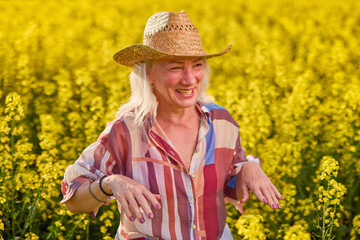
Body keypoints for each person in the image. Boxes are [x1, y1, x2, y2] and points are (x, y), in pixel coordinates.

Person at [61, 10, 283, 240]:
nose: (189, 79)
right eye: (175, 67)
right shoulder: (127, 131)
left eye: (197, 65)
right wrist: (111, 183)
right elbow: (73, 197)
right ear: (149, 73)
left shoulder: (221, 122)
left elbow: (227, 186)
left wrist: (249, 165)